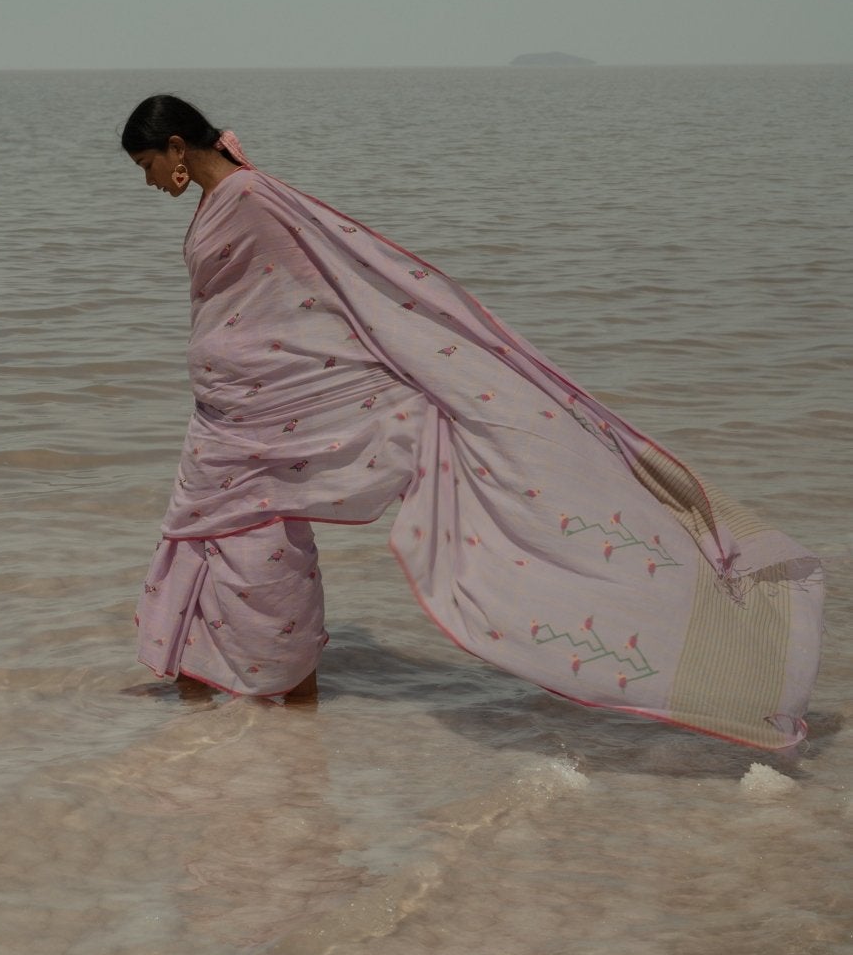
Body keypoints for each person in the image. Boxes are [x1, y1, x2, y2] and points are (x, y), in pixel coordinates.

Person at [122, 93, 824, 749]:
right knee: (208, 538)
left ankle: (283, 717)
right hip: (229, 420)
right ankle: (225, 708)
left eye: (149, 165)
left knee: (255, 552)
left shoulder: (249, 197)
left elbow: (344, 286)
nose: (149, 182)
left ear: (177, 147)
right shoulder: (230, 196)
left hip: (264, 414)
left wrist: (404, 369)